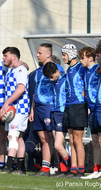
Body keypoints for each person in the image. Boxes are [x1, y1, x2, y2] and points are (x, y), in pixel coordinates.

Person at [29, 43, 64, 176]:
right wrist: (32, 110)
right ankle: (45, 168)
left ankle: (62, 166)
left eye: (39, 53)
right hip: (37, 108)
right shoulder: (38, 71)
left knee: (53, 138)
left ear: (48, 54)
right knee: (43, 139)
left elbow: (62, 88)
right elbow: (35, 92)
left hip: (49, 107)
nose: (37, 55)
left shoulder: (58, 69)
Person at [0, 47, 29, 175]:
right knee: (18, 138)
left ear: (14, 57)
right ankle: (20, 168)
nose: (3, 58)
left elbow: (21, 88)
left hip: (19, 108)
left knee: (12, 136)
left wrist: (7, 102)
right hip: (13, 109)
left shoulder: (20, 70)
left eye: (5, 56)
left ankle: (8, 167)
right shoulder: (13, 70)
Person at [61, 44, 87, 178]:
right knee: (71, 139)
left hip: (78, 106)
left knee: (78, 139)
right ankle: (74, 168)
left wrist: (87, 96)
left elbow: (88, 82)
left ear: (71, 55)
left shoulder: (80, 68)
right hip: (69, 105)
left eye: (64, 55)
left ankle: (81, 169)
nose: (62, 57)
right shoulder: (69, 70)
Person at [43, 62, 70, 177]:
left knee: (58, 145)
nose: (51, 79)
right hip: (54, 112)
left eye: (52, 77)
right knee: (57, 144)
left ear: (57, 72)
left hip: (61, 113)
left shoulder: (65, 78)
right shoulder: (56, 79)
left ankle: (70, 165)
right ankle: (62, 169)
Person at [78, 47, 100, 179]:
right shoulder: (85, 70)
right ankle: (96, 170)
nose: (81, 60)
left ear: (90, 58)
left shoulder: (98, 69)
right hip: (91, 109)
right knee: (95, 142)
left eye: (82, 57)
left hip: (99, 108)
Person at [93, 40, 101, 179]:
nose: (96, 58)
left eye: (98, 55)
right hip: (98, 107)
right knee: (98, 140)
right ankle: (97, 170)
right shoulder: (98, 70)